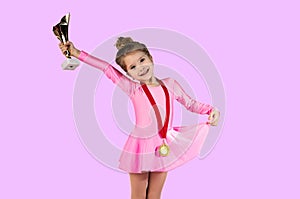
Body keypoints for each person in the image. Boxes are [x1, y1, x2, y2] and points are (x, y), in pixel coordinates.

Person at [59, 37, 220, 199]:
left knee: (155, 194)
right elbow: (106, 68)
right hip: (140, 147)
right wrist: (76, 53)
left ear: (151, 58)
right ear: (129, 73)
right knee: (138, 195)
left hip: (164, 145)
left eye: (142, 60)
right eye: (133, 67)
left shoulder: (170, 84)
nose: (140, 68)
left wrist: (211, 110)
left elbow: (190, 104)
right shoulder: (134, 88)